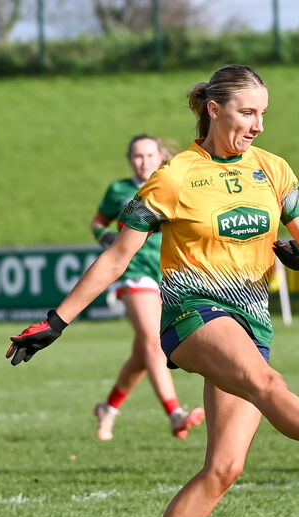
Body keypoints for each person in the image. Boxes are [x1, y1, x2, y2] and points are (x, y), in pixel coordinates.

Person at [7, 64, 299, 517]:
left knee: (223, 469)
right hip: (192, 316)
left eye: (263, 114)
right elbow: (117, 256)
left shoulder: (274, 169)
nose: (259, 126)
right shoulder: (173, 176)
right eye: (248, 113)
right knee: (267, 383)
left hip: (252, 322)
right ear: (214, 110)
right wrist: (57, 322)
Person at [91, 134, 204, 441]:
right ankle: (175, 413)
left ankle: (108, 409)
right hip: (134, 274)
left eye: (150, 155)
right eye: (138, 156)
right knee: (155, 344)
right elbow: (98, 222)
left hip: (169, 275)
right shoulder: (119, 190)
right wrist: (105, 238)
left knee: (144, 353)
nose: (144, 161)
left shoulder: (171, 184)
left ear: (159, 157)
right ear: (131, 159)